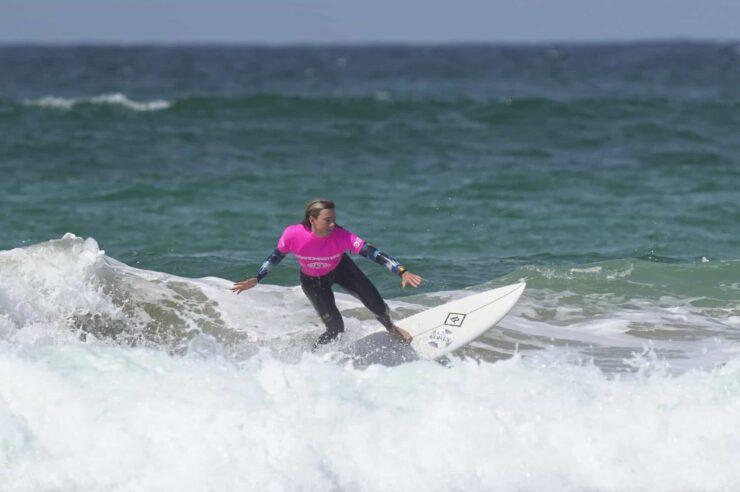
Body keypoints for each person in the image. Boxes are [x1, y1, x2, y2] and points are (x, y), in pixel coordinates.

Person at [231, 198, 423, 348]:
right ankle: (314, 358)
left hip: (342, 270)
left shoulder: (342, 236)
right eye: (327, 220)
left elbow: (372, 252)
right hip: (313, 281)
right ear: (312, 219)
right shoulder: (293, 235)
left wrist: (401, 271)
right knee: (335, 329)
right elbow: (275, 257)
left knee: (379, 307)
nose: (332, 224)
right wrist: (257, 278)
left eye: (334, 219)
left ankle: (391, 328)